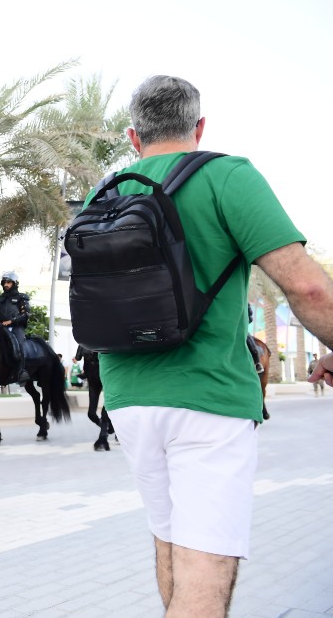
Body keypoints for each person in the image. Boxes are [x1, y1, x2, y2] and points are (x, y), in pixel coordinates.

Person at [95, 75, 333, 616]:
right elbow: (308, 286)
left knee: (170, 540)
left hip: (128, 400)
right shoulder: (227, 176)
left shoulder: (105, 191)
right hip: (207, 399)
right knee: (207, 559)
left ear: (135, 137)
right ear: (199, 128)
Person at [0, 270, 31, 383]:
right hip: (1, 328)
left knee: (19, 344)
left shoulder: (22, 297)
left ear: (14, 283)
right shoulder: (0, 299)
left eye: (8, 282)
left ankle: (22, 371)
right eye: (4, 282)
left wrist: (11, 321)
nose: (6, 285)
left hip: (17, 327)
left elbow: (25, 315)